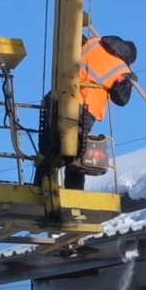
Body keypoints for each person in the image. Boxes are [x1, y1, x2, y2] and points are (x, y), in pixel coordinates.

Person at [33, 34, 138, 190]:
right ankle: (73, 192)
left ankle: (40, 188)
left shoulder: (94, 42)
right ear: (128, 58)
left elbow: (73, 38)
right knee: (76, 153)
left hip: (56, 98)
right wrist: (129, 79)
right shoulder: (122, 69)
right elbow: (121, 99)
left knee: (50, 147)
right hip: (85, 108)